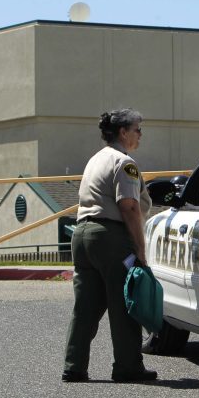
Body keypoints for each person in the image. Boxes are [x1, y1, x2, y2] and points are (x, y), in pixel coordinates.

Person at [62, 108, 156, 383]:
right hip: (110, 237)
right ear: (123, 132)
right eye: (137, 129)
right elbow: (128, 207)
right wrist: (140, 250)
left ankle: (74, 366)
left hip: (82, 235)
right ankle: (128, 366)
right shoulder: (124, 163)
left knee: (86, 307)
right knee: (124, 302)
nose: (140, 135)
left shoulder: (95, 160)